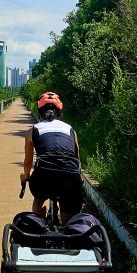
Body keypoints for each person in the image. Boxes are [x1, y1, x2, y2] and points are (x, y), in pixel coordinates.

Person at [20, 91, 84, 224]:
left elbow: (28, 162)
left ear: (39, 111)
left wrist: (25, 176)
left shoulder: (32, 130)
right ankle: (67, 231)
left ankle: (39, 227)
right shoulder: (70, 129)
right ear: (59, 112)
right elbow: (77, 158)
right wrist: (79, 176)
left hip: (44, 177)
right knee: (69, 215)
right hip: (70, 176)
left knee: (39, 199)